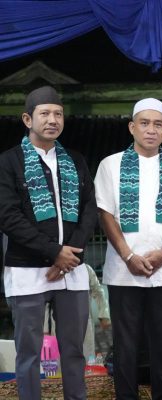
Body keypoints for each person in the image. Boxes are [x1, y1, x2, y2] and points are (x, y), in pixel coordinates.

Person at [94, 98, 162, 399]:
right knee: (125, 347)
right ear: (132, 127)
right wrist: (128, 255)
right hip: (123, 271)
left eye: (157, 124)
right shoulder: (110, 165)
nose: (151, 130)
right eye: (144, 123)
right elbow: (105, 214)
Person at [0, 86, 97, 399]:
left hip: (72, 270)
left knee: (74, 349)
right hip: (27, 270)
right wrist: (54, 252)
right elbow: (8, 216)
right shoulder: (8, 162)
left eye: (58, 114)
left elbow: (89, 209)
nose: (52, 120)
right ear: (28, 119)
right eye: (44, 113)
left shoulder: (76, 161)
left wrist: (71, 255)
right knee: (28, 352)